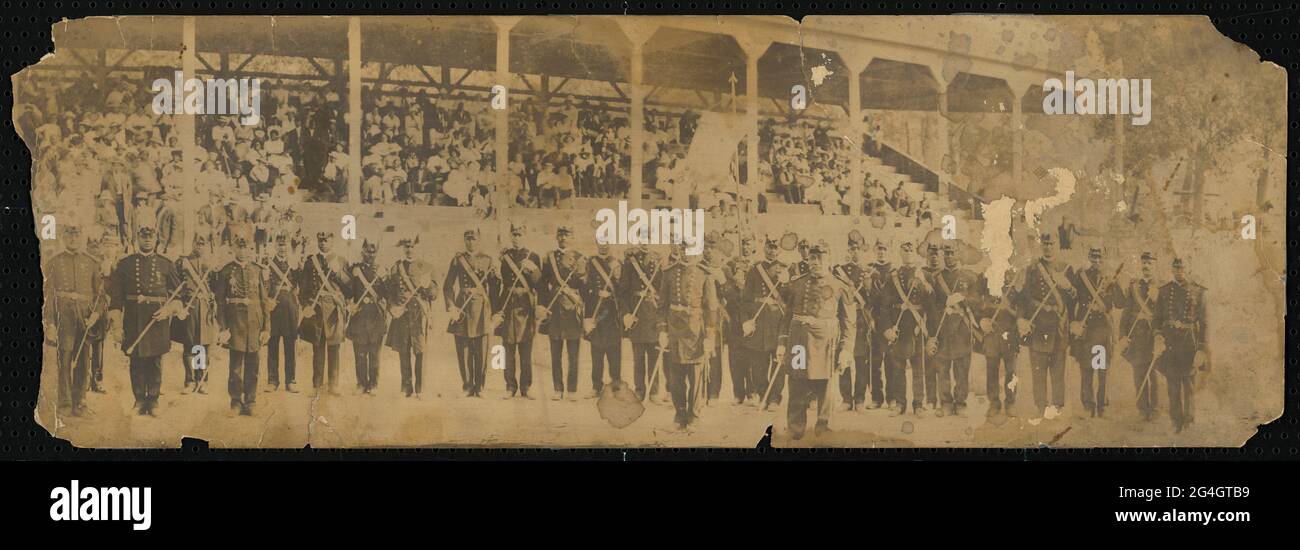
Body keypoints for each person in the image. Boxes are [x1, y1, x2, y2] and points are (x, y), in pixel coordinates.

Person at [777, 241, 856, 439]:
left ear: (829, 260)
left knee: (825, 387)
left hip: (825, 343)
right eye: (812, 258)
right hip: (798, 342)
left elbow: (849, 322)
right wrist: (781, 343)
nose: (816, 262)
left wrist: (846, 349)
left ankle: (823, 427)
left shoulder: (840, 286)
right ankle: (795, 429)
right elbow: (786, 317)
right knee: (796, 384)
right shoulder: (797, 283)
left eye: (820, 258)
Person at [108, 214, 182, 416]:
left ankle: (154, 400)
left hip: (157, 319)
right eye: (143, 236)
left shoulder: (166, 264)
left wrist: (167, 310)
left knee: (155, 361)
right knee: (137, 360)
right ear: (137, 238)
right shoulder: (125, 265)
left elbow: (179, 295)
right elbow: (116, 299)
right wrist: (116, 326)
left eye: (151, 236)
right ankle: (139, 400)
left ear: (156, 238)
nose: (147, 239)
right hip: (134, 318)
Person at [44, 221, 107, 417]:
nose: (73, 238)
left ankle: (80, 403)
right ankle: (64, 404)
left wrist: (95, 315)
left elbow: (100, 296)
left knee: (82, 360)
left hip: (85, 318)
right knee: (64, 359)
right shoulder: (54, 263)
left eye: (77, 235)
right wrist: (51, 323)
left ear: (81, 237)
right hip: (64, 317)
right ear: (64, 238)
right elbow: (48, 296)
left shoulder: (91, 263)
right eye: (70, 235)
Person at [656, 243, 720, 430]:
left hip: (695, 330)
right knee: (675, 376)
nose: (686, 253)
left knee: (696, 376)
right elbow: (661, 306)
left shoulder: (704, 274)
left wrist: (709, 335)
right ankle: (680, 413)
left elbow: (711, 308)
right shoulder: (668, 273)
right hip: (674, 329)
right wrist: (662, 331)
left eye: (690, 249)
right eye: (683, 248)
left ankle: (694, 415)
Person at [1015, 233, 1076, 417]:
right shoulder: (1033, 269)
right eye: (1046, 243)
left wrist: (1069, 288)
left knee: (1058, 371)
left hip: (1058, 326)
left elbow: (1074, 300)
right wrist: (1021, 319)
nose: (1048, 247)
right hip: (1039, 325)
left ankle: (1057, 407)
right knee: (1039, 371)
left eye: (1052, 243)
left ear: (1057, 244)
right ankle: (1041, 406)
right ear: (1042, 245)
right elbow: (1023, 298)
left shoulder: (1066, 268)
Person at [215, 225, 271, 416]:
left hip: (254, 325)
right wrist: (222, 328)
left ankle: (251, 401)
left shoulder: (257, 270)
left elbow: (264, 302)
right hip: (235, 325)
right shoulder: (225, 272)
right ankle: (235, 402)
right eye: (239, 247)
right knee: (236, 368)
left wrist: (266, 329)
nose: (242, 251)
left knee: (253, 367)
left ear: (250, 249)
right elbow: (220, 303)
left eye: (246, 247)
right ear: (234, 249)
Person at [876, 241, 931, 416]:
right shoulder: (893, 276)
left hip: (917, 327)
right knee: (898, 368)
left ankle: (918, 404)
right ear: (900, 253)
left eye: (911, 251)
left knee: (919, 368)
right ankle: (900, 404)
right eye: (904, 251)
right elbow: (883, 307)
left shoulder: (924, 275)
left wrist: (932, 332)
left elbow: (932, 304)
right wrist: (886, 329)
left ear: (916, 253)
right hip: (898, 328)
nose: (908, 254)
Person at [1154, 256, 1208, 433]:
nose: (1179, 271)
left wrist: (1201, 348)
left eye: (1182, 267)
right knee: (1172, 385)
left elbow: (1204, 324)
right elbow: (1157, 319)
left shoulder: (1198, 291)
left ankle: (1189, 421)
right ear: (1172, 269)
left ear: (1188, 268)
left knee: (1189, 385)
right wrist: (1159, 337)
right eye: (1176, 268)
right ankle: (1176, 422)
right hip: (1170, 343)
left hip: (1189, 344)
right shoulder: (1164, 291)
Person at [1068, 246, 1123, 417]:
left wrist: (1116, 286)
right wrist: (1073, 322)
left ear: (1105, 258)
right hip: (1086, 328)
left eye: (1100, 258)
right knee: (1086, 367)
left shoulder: (1110, 278)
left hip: (1103, 329)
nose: (1097, 261)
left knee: (1102, 368)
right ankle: (1087, 405)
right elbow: (1072, 300)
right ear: (1089, 258)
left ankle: (1102, 406)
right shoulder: (1081, 276)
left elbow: (1120, 303)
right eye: (1094, 257)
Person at [443, 230, 498, 397]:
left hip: (482, 307)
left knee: (481, 349)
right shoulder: (458, 260)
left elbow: (494, 289)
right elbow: (448, 286)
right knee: (464, 348)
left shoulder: (488, 260)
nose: (471, 242)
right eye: (468, 239)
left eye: (474, 239)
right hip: (463, 307)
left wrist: (495, 312)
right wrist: (452, 307)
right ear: (464, 240)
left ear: (479, 240)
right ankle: (467, 385)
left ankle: (480, 386)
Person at [928, 243, 978, 417]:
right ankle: (946, 403)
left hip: (962, 330)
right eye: (946, 253)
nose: (948, 256)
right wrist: (943, 309)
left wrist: (962, 297)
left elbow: (979, 301)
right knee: (942, 371)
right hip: (942, 330)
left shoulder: (970, 277)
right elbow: (932, 306)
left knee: (961, 370)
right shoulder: (936, 278)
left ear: (958, 254)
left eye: (952, 252)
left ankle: (961, 403)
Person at [740, 235, 789, 410]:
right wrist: (746, 321)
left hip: (777, 323)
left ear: (780, 250)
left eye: (775, 247)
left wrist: (786, 282)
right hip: (759, 322)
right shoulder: (755, 270)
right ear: (764, 247)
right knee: (758, 364)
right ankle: (763, 394)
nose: (772, 250)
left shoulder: (785, 270)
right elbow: (745, 300)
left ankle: (775, 398)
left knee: (778, 362)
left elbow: (789, 300)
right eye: (769, 246)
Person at [298, 231, 350, 395]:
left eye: (326, 240)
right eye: (320, 241)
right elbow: (303, 288)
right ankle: (317, 385)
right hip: (317, 308)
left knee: (334, 348)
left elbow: (349, 288)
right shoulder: (310, 262)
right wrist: (306, 305)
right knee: (318, 348)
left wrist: (338, 273)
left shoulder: (341, 261)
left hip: (333, 309)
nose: (323, 244)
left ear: (332, 241)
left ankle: (333, 384)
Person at [538, 225, 585, 400]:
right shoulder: (549, 257)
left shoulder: (580, 258)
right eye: (560, 235)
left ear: (572, 237)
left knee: (573, 355)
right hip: (555, 310)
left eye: (567, 235)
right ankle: (558, 389)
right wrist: (542, 305)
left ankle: (572, 390)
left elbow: (584, 285)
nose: (563, 238)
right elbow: (542, 284)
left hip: (572, 309)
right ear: (556, 237)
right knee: (555, 354)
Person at [387, 236, 438, 398]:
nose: (409, 249)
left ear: (418, 246)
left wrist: (428, 285)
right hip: (402, 315)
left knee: (420, 352)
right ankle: (406, 387)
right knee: (403, 351)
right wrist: (392, 308)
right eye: (406, 246)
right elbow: (390, 293)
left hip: (419, 315)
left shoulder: (427, 268)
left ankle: (420, 388)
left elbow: (434, 295)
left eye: (412, 246)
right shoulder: (396, 268)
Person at [495, 222, 542, 399]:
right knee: (507, 349)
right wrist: (497, 309)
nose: (516, 238)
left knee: (526, 349)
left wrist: (533, 269)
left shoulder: (534, 256)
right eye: (514, 234)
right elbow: (502, 284)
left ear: (525, 236)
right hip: (509, 305)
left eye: (519, 235)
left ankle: (526, 387)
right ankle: (509, 386)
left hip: (525, 307)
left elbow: (540, 284)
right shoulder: (505, 257)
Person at [172, 232, 219, 395]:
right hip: (189, 307)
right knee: (189, 345)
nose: (199, 246)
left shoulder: (211, 263)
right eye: (197, 243)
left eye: (202, 244)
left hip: (204, 307)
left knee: (202, 346)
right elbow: (175, 284)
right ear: (192, 243)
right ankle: (189, 380)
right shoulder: (182, 262)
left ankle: (202, 380)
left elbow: (216, 287)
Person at [620, 238, 664, 402]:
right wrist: (626, 314)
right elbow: (623, 292)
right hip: (636, 315)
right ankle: (639, 390)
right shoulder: (631, 262)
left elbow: (662, 290)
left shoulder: (658, 260)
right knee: (638, 358)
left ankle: (654, 392)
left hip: (652, 313)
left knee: (654, 356)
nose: (645, 242)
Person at [1119, 251, 1160, 421]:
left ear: (1155, 265)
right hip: (1136, 336)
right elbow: (1126, 312)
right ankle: (1143, 409)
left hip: (1153, 335)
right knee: (1138, 372)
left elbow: (1164, 314)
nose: (1146, 266)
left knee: (1153, 373)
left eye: (1150, 263)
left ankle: (1155, 408)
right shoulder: (1133, 286)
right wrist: (1122, 334)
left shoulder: (1161, 287)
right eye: (1144, 263)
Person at [976, 268, 1021, 417]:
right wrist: (982, 320)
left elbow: (1022, 310)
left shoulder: (1015, 284)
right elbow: (979, 308)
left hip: (1010, 335)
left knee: (1011, 372)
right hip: (992, 335)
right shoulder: (986, 282)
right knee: (992, 372)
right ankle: (994, 403)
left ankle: (1011, 404)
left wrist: (1007, 307)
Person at [346, 240, 387, 395]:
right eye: (367, 252)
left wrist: (384, 279)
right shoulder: (355, 269)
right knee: (360, 353)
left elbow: (386, 293)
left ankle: (374, 384)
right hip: (360, 316)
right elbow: (348, 290)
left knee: (375, 354)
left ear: (376, 253)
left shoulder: (382, 271)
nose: (370, 255)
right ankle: (361, 383)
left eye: (372, 252)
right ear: (362, 252)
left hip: (375, 316)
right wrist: (350, 303)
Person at [582, 242, 623, 397]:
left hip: (612, 315)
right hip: (596, 313)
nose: (603, 247)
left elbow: (623, 288)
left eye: (607, 243)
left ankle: (616, 385)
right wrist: (596, 292)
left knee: (614, 354)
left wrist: (611, 295)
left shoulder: (617, 263)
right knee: (596, 353)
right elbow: (585, 288)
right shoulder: (590, 263)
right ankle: (596, 386)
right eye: (600, 243)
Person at [265, 233, 301, 393]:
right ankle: (272, 380)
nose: (282, 247)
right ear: (275, 246)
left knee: (289, 345)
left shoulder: (295, 264)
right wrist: (267, 300)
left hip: (289, 308)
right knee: (272, 344)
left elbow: (300, 285)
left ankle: (290, 380)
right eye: (279, 244)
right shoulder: (267, 264)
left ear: (289, 246)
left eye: (285, 244)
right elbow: (263, 285)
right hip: (273, 308)